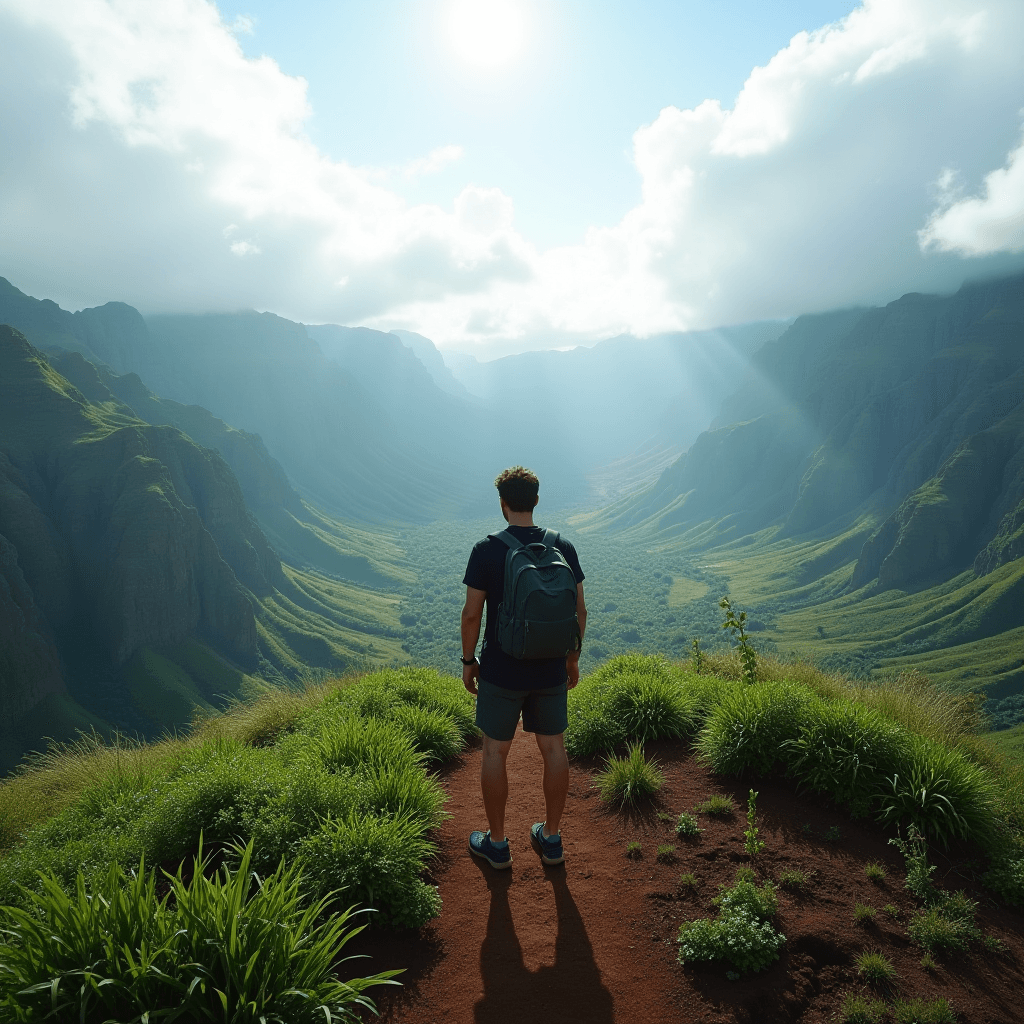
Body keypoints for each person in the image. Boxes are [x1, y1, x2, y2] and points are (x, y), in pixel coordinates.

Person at [460, 466, 587, 869]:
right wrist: (571, 659)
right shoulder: (561, 546)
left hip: (501, 669)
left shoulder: (486, 550)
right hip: (550, 668)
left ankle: (497, 845)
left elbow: (471, 615)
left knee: (495, 752)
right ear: (535, 500)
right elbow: (580, 611)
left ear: (502, 504)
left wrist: (469, 661)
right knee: (554, 749)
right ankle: (551, 839)